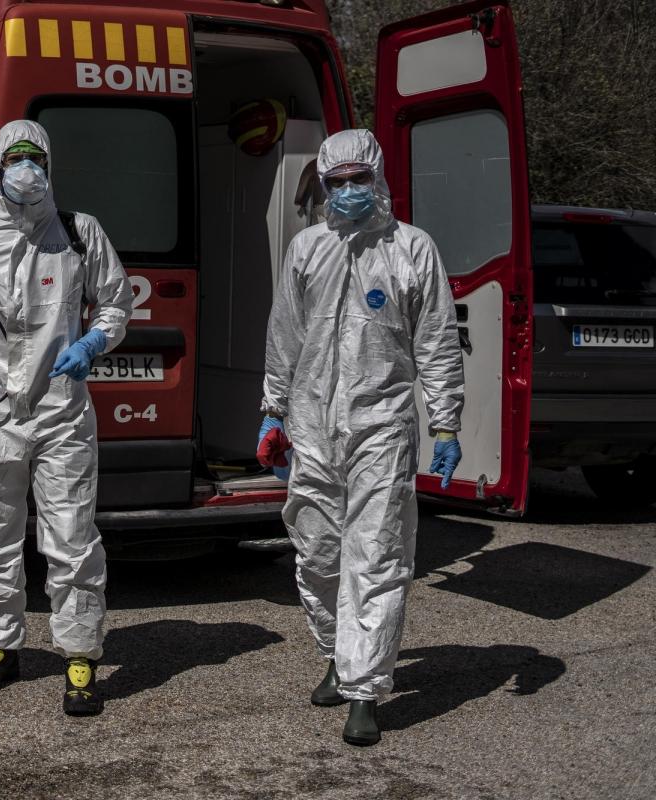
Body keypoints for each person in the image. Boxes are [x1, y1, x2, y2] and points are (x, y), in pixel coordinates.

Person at [0, 120, 133, 716]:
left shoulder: (78, 233)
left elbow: (116, 302)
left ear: (49, 164)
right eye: (13, 157)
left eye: (34, 157)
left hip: (61, 410)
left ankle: (81, 654)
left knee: (70, 537)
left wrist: (91, 343)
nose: (24, 168)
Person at [258, 129, 465, 746]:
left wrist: (446, 420)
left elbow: (435, 340)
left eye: (358, 180)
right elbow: (285, 337)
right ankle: (335, 650)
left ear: (379, 178)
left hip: (382, 423)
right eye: (336, 183)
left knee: (374, 555)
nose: (348, 192)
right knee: (317, 551)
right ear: (322, 186)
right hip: (312, 423)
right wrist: (272, 414)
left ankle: (363, 690)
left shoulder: (412, 249)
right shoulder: (306, 250)